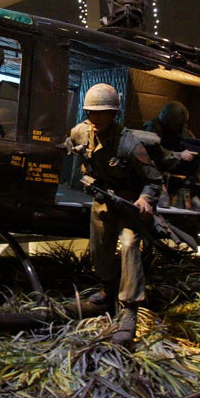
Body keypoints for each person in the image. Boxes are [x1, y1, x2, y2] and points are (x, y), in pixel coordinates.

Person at [66, 83, 163, 346]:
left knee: (130, 245)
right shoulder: (80, 133)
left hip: (128, 204)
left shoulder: (129, 144)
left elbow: (154, 180)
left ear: (114, 114)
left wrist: (144, 199)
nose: (94, 118)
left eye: (101, 113)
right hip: (102, 202)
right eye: (90, 112)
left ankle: (129, 307)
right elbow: (69, 145)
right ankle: (108, 291)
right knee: (100, 251)